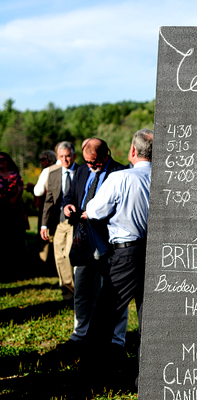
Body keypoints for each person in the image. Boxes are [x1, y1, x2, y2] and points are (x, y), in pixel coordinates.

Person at [84, 129, 152, 383]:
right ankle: (144, 380)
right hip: (158, 255)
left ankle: (90, 378)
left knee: (105, 316)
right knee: (149, 318)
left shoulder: (121, 177)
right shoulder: (168, 178)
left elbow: (95, 210)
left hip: (127, 254)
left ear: (132, 151)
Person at [61, 138, 127, 348]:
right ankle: (80, 333)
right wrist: (68, 205)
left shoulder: (120, 172)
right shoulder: (81, 171)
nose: (91, 166)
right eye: (88, 162)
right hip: (82, 238)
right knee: (82, 288)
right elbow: (69, 194)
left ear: (106, 154)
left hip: (109, 240)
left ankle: (116, 339)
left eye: (95, 162)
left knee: (115, 291)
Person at [40, 142, 79, 301]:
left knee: (70, 254)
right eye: (61, 157)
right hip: (58, 223)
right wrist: (44, 224)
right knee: (59, 257)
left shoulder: (81, 172)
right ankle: (67, 292)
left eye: (68, 156)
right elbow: (48, 201)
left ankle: (77, 291)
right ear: (57, 157)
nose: (65, 160)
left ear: (74, 156)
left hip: (75, 222)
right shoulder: (53, 173)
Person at [0, 152, 28, 281]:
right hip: (1, 211)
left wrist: (14, 199)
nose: (1, 162)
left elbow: (20, 188)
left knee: (17, 239)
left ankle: (19, 268)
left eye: (3, 160)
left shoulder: (14, 174)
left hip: (15, 209)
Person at [31, 149, 58, 268]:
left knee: (45, 235)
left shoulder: (48, 171)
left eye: (43, 159)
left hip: (47, 207)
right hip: (56, 208)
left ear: (50, 160)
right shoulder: (60, 170)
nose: (41, 161)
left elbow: (38, 191)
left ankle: (45, 264)